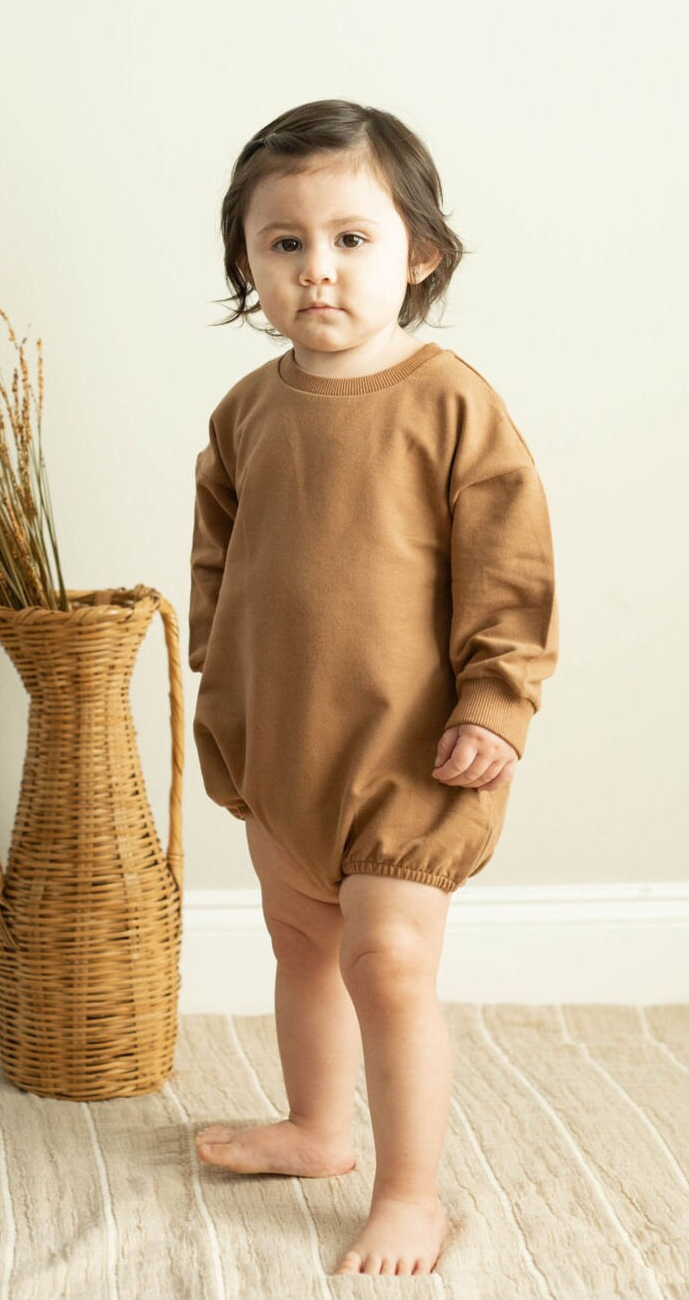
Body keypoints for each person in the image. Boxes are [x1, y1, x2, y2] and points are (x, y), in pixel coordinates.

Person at [187, 98, 559, 1278]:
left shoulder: (449, 402)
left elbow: (511, 563)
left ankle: (411, 1191)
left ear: (420, 254)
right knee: (300, 940)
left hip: (414, 750)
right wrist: (219, 666)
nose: (317, 272)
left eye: (352, 239)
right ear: (247, 262)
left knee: (387, 962)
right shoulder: (248, 412)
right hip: (286, 739)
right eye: (282, 244)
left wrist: (495, 704)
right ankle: (316, 1128)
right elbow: (222, 552)